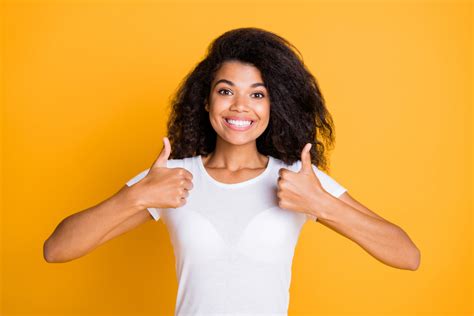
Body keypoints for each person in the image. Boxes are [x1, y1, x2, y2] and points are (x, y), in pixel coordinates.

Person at [44, 27, 420, 315]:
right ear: (206, 101)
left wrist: (322, 203)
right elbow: (57, 249)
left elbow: (407, 255)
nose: (240, 106)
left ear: (276, 106)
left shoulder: (299, 180)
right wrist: (136, 195)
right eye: (226, 91)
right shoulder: (172, 178)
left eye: (257, 94)